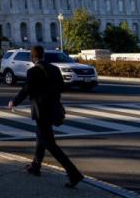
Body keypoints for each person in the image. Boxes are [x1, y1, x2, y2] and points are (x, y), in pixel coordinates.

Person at [8, 46, 84, 188]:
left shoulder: (32, 71)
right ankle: (36, 166)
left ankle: (74, 174)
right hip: (54, 109)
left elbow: (26, 90)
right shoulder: (55, 69)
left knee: (50, 144)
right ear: (43, 56)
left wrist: (14, 102)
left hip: (41, 111)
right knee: (41, 138)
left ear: (32, 57)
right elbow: (62, 87)